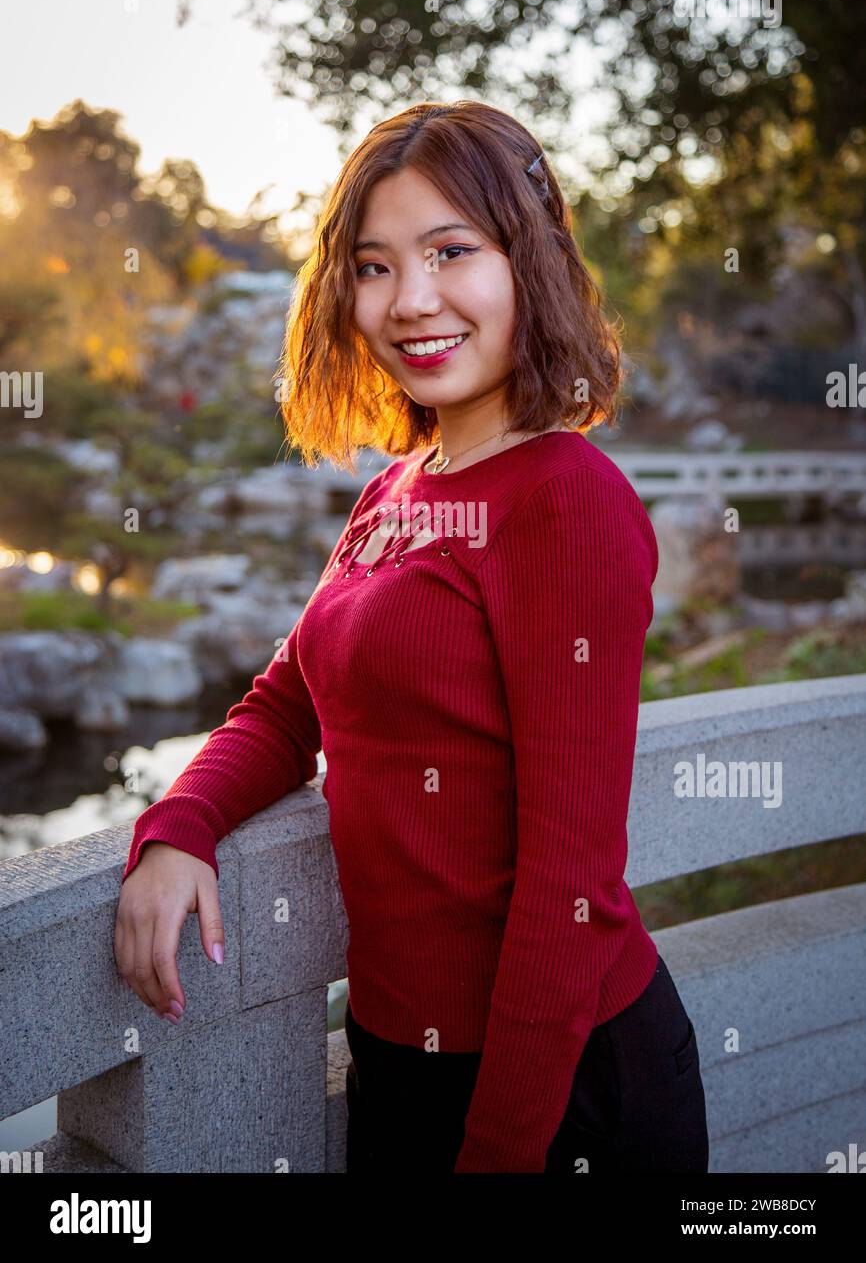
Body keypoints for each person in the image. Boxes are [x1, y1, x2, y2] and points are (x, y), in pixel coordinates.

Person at [115, 99, 709, 1174]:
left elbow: (567, 885)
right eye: (374, 264)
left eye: (450, 251)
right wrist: (179, 824)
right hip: (396, 1055)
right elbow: (288, 702)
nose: (411, 300)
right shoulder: (398, 488)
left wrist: (496, 1153)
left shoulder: (564, 500)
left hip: (553, 1086)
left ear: (528, 259)